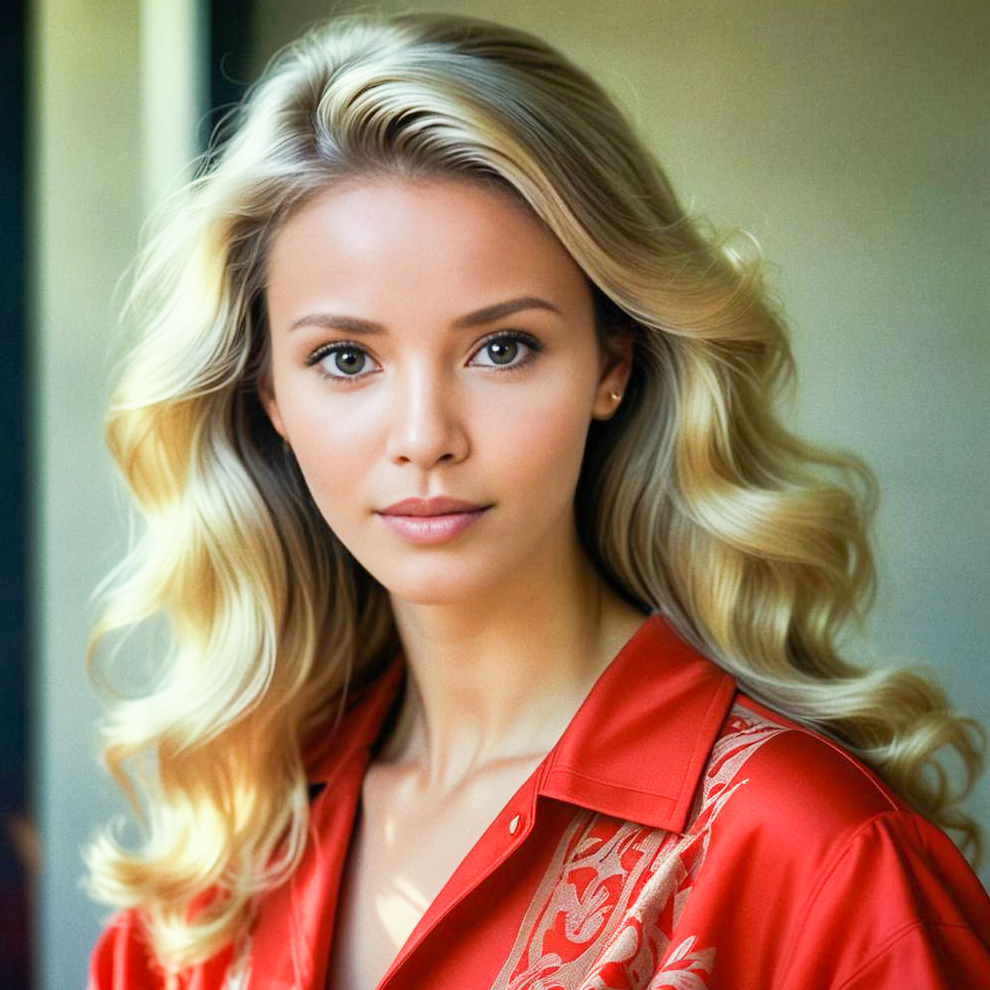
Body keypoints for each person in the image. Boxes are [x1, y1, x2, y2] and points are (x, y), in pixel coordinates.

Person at [85, 11, 989, 990]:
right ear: (271, 398)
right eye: (345, 358)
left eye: (502, 347)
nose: (424, 434)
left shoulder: (821, 858)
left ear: (613, 362)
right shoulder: (217, 867)